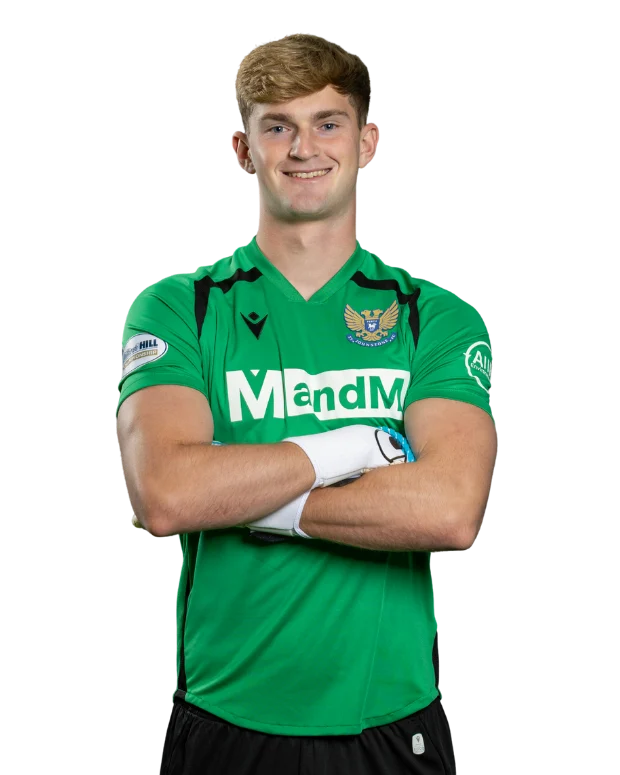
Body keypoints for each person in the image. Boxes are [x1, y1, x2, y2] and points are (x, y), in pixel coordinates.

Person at [115, 32, 497, 775]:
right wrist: (353, 448)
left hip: (391, 721)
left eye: (328, 123)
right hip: (226, 717)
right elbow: (164, 496)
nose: (303, 148)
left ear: (368, 142)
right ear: (242, 149)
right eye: (277, 126)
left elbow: (449, 509)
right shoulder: (179, 307)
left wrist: (244, 497)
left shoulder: (435, 317)